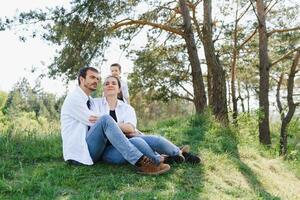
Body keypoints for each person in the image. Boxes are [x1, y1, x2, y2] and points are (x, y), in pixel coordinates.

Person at [60, 67, 170, 175]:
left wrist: (128, 132)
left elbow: (104, 126)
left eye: (97, 79)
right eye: (92, 77)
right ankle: (140, 162)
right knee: (106, 119)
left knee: (137, 141)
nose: (96, 81)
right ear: (82, 79)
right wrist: (125, 130)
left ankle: (161, 159)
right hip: (79, 153)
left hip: (92, 147)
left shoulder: (88, 99)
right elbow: (96, 122)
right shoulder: (74, 98)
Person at [94, 76, 201, 165]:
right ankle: (161, 159)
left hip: (129, 138)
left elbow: (130, 128)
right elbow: (122, 128)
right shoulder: (95, 104)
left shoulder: (127, 108)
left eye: (113, 83)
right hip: (108, 149)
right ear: (103, 89)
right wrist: (121, 127)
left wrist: (110, 126)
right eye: (106, 83)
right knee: (133, 146)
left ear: (119, 89)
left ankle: (180, 153)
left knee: (155, 140)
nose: (110, 85)